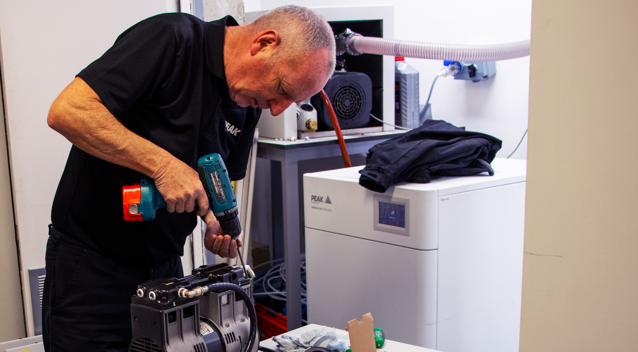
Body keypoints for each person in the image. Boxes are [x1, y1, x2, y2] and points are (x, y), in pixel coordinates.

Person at [44, 5, 335, 351]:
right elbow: (68, 111)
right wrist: (163, 167)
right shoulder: (172, 40)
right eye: (283, 89)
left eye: (292, 102)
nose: (276, 109)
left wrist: (214, 221)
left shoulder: (248, 104)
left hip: (165, 274)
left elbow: (218, 185)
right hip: (92, 272)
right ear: (264, 44)